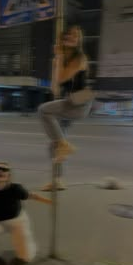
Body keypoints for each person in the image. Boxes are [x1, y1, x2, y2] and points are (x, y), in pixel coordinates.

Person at [39, 26, 94, 190]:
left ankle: (64, 144)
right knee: (53, 145)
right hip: (69, 102)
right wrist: (56, 62)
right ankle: (57, 181)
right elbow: (56, 87)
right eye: (68, 34)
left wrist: (59, 56)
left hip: (81, 101)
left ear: (78, 41)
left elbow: (63, 77)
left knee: (43, 110)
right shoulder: (61, 59)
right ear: (62, 38)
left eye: (75, 36)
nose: (71, 37)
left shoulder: (80, 58)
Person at [0, 161, 51, 265]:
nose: (0, 170)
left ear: (8, 176)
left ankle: (25, 254)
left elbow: (32, 196)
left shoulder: (16, 188)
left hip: (16, 221)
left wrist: (50, 202)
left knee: (26, 256)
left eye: (4, 169)